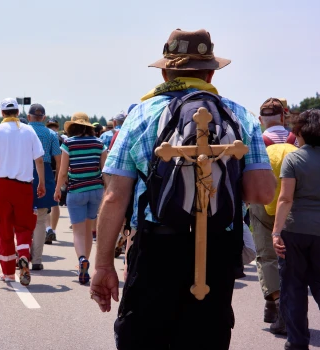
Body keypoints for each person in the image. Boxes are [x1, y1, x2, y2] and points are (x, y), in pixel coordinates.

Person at [91, 28, 276, 350]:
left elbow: (114, 195)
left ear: (165, 71)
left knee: (143, 338)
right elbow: (261, 193)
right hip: (217, 249)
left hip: (156, 247)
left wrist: (104, 265)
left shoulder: (141, 115)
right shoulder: (240, 116)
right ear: (210, 71)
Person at [0, 98, 45, 286]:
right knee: (24, 227)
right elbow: (39, 160)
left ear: (2, 113)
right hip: (25, 186)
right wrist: (41, 183)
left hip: (3, 186)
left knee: (4, 229)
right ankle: (24, 255)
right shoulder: (29, 130)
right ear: (18, 112)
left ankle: (9, 273)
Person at [250, 97, 299, 335]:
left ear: (261, 120)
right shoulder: (296, 142)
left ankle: (275, 304)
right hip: (291, 206)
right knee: (289, 257)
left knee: (267, 255)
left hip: (262, 202)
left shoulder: (257, 142)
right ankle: (280, 305)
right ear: (283, 117)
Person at [272, 109, 320, 350]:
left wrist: (276, 232)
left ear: (301, 131)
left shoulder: (293, 159)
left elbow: (285, 199)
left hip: (295, 231)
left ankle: (297, 343)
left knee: (294, 289)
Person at [54, 112, 107, 285]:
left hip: (76, 190)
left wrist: (57, 190)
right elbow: (104, 169)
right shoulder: (99, 143)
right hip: (96, 190)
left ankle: (81, 260)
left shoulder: (68, 143)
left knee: (77, 231)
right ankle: (85, 263)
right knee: (88, 230)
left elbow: (63, 171)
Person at [27, 104, 61, 270]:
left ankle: (22, 254)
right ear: (44, 118)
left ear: (29, 117)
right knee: (41, 219)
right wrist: (56, 180)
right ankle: (37, 260)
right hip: (45, 171)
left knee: (22, 217)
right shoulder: (51, 134)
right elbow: (58, 159)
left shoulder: (23, 131)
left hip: (24, 171)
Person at [45, 118, 63, 244]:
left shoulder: (45, 135)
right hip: (56, 171)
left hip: (46, 170)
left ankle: (48, 228)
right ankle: (53, 230)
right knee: (55, 202)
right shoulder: (61, 138)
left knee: (45, 202)